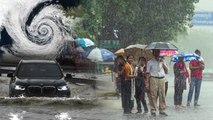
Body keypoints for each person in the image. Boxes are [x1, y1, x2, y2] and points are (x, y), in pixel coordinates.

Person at [146, 49, 168, 116]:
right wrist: (147, 83)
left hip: (162, 79)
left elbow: (166, 71)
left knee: (162, 95)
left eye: (158, 52)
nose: (157, 53)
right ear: (153, 53)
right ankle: (153, 110)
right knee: (153, 95)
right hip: (153, 78)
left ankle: (162, 110)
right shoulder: (150, 62)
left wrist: (163, 63)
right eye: (156, 52)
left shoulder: (163, 61)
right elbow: (147, 73)